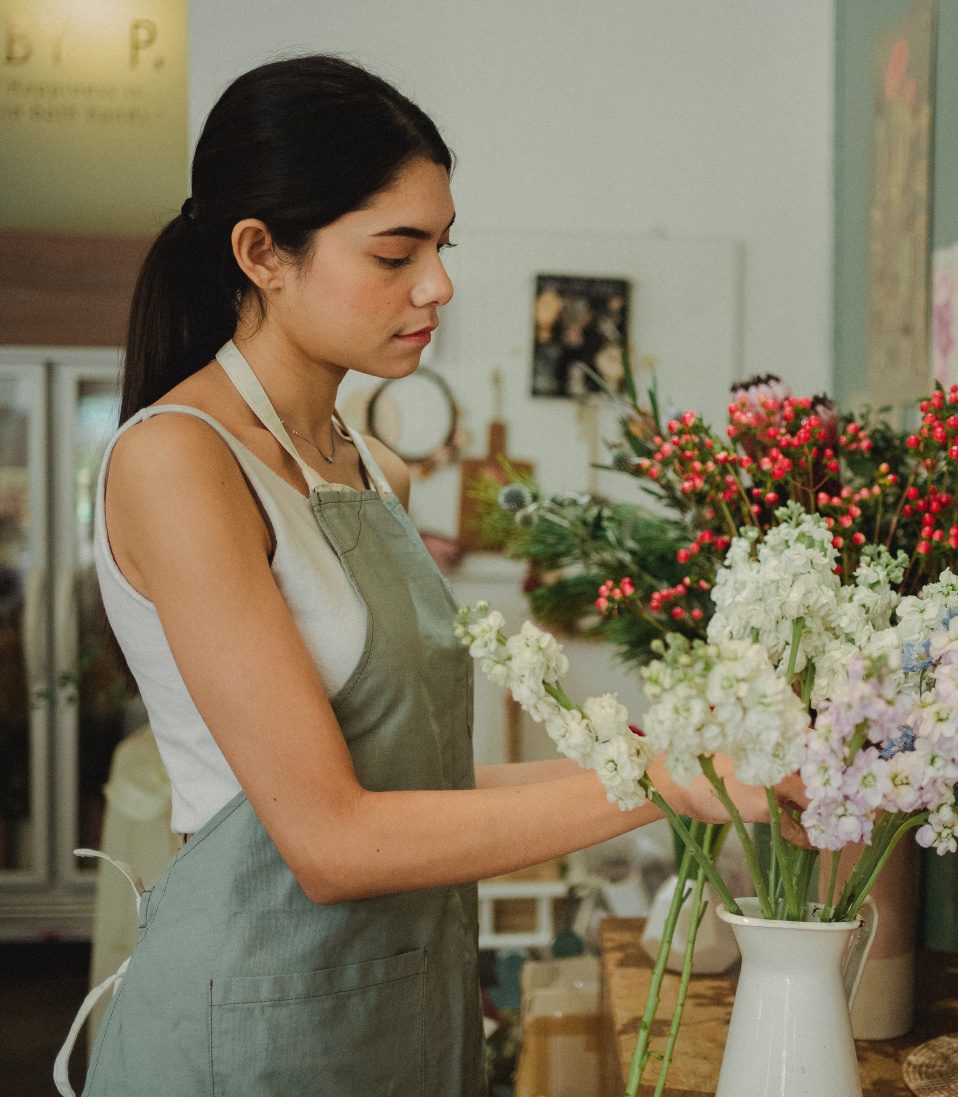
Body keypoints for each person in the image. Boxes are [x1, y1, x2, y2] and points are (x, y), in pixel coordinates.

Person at [55, 54, 792, 1097]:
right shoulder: (178, 461)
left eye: (440, 247)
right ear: (262, 253)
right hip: (256, 1032)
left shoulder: (367, 465)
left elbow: (419, 793)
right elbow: (332, 838)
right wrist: (663, 781)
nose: (438, 283)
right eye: (397, 253)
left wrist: (681, 752)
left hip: (400, 1010)